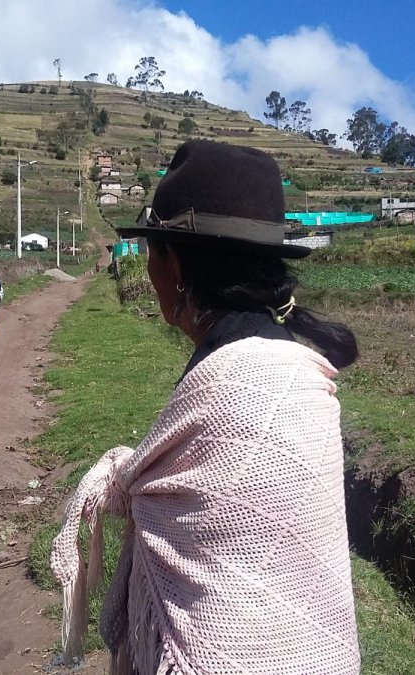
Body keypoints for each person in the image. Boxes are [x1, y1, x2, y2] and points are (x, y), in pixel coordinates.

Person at [51, 140, 361, 674]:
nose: (149, 271)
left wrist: (128, 479)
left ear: (175, 264)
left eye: (153, 252)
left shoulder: (233, 381)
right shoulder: (299, 376)